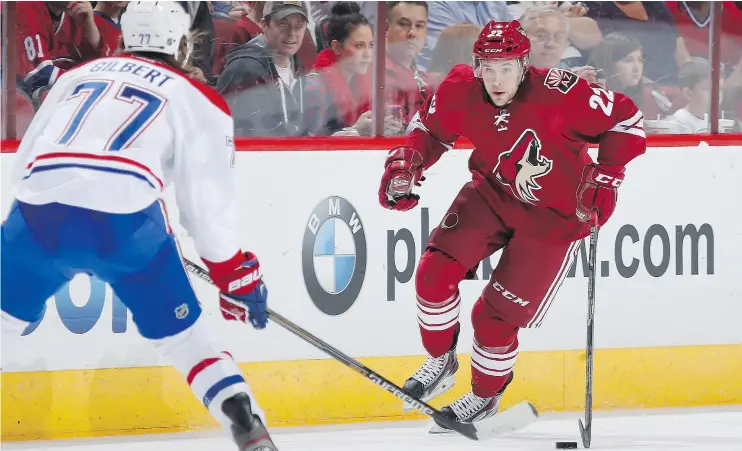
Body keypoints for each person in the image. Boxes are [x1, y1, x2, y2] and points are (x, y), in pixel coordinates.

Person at [0, 3, 277, 451]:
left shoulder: (73, 77)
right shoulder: (198, 98)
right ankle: (237, 410)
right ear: (182, 42)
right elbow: (204, 206)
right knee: (187, 340)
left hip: (38, 216)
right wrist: (233, 274)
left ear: (127, 37)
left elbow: (24, 163)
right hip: (127, 228)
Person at [377, 20, 646, 430]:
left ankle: (484, 396)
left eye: (507, 68)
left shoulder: (561, 92)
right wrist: (408, 164)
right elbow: (430, 131)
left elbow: (626, 119)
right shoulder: (460, 88)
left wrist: (608, 174)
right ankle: (441, 360)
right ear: (476, 65)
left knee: (493, 318)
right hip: (493, 192)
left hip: (555, 218)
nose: (497, 79)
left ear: (524, 64)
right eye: (488, 67)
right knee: (433, 273)